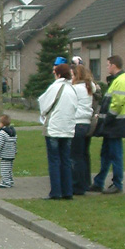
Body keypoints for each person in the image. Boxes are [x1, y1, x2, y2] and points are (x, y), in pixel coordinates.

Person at [89, 55, 125, 194]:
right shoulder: (117, 80)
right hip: (113, 123)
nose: (107, 67)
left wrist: (108, 117)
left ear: (114, 65)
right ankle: (99, 182)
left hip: (116, 123)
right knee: (106, 154)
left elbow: (117, 103)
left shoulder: (121, 80)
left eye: (108, 65)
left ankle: (117, 183)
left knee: (115, 154)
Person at [38, 61, 77, 199]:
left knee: (54, 160)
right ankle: (68, 191)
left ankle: (56, 192)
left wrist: (44, 115)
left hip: (54, 128)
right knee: (66, 160)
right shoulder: (72, 89)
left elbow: (44, 104)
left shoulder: (55, 87)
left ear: (59, 74)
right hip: (68, 129)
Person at [70, 63, 96, 195]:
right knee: (84, 154)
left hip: (77, 122)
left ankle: (77, 185)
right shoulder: (89, 87)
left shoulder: (75, 89)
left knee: (75, 156)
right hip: (87, 123)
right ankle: (86, 182)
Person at [0, 113, 17, 188]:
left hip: (5, 154)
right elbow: (15, 143)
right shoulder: (13, 132)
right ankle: (10, 180)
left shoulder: (2, 133)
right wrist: (15, 151)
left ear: (1, 123)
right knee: (9, 169)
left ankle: (6, 182)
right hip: (11, 154)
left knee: (4, 169)